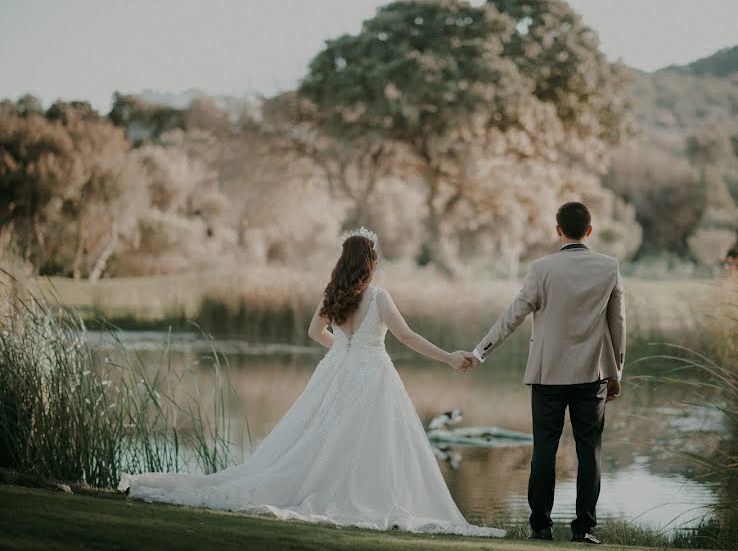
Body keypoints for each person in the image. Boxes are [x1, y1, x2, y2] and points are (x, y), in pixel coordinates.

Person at [119, 227, 503, 538]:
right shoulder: (378, 297)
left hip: (339, 368)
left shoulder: (334, 294)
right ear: (370, 262)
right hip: (371, 373)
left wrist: (344, 350)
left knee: (320, 434)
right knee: (368, 441)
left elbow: (313, 331)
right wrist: (450, 357)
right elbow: (406, 337)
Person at [462, 201, 626, 544]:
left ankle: (541, 527)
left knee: (544, 451)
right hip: (593, 376)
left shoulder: (541, 269)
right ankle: (584, 529)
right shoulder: (609, 267)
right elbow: (617, 323)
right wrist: (616, 372)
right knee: (589, 453)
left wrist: (481, 351)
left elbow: (514, 314)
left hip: (547, 375)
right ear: (590, 230)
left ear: (557, 230)